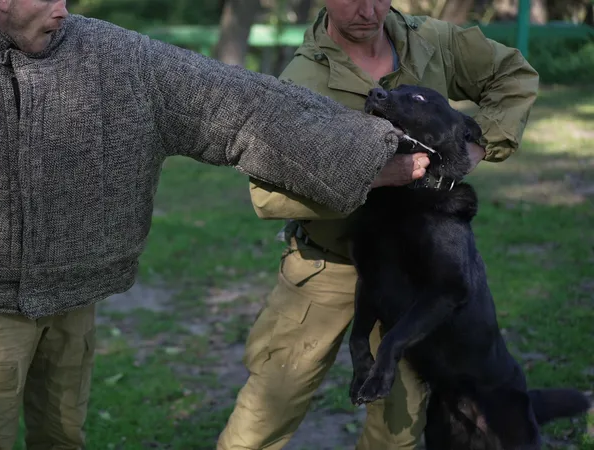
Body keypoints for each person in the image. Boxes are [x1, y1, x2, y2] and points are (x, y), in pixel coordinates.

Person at [0, 0, 431, 448]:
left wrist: (359, 151)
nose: (63, 9)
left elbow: (239, 105)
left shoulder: (118, 59)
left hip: (80, 297)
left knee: (64, 434)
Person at [217, 1, 539, 449]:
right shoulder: (301, 81)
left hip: (414, 278)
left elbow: (514, 75)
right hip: (327, 266)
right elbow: (268, 193)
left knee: (397, 430)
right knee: (269, 407)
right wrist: (374, 174)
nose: (368, 11)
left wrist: (473, 146)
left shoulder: (432, 41)